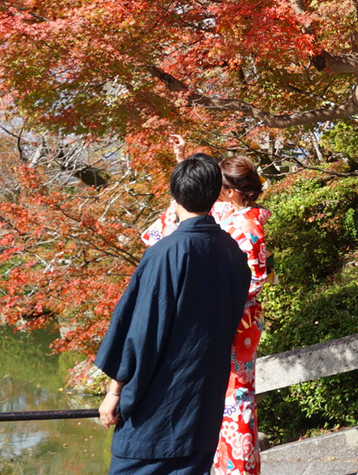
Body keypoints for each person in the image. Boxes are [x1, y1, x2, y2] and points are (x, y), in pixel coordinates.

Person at [97, 154, 250, 475]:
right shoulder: (233, 254)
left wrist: (114, 392)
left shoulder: (165, 254)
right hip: (203, 404)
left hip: (157, 410)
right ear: (215, 195)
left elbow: (140, 333)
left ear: (175, 195)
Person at [141, 156, 270, 475]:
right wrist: (182, 160)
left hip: (232, 324)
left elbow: (252, 282)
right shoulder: (231, 215)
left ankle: (237, 470)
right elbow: (189, 206)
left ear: (228, 191)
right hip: (224, 322)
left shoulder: (247, 225)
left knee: (235, 400)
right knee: (220, 401)